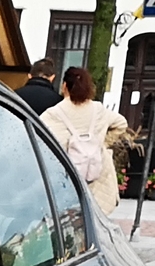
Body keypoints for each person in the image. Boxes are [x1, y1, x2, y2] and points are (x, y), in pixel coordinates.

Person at [41, 66, 130, 212]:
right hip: (98, 177)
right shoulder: (98, 109)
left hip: (65, 177)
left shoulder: (54, 113)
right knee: (94, 221)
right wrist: (103, 143)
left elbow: (38, 134)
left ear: (64, 86)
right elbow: (121, 123)